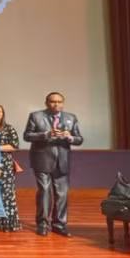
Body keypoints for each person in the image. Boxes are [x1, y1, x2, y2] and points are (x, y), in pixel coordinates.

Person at [24, 92, 83, 237]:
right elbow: (27, 135)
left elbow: (79, 139)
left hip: (62, 161)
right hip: (42, 160)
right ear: (47, 103)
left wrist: (70, 137)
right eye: (53, 101)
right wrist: (46, 134)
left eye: (59, 101)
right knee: (44, 192)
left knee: (62, 194)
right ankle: (43, 224)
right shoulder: (36, 116)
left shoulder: (71, 117)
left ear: (63, 103)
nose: (56, 104)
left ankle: (59, 224)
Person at [0, 104, 22, 232]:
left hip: (5, 164)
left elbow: (14, 146)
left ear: (2, 114)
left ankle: (7, 222)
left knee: (6, 194)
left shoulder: (9, 128)